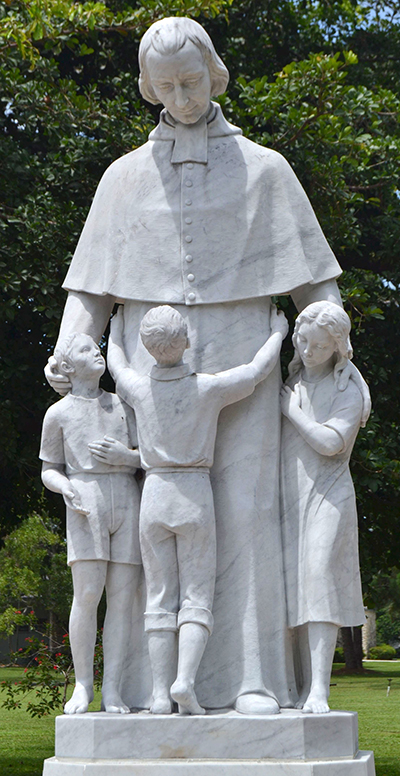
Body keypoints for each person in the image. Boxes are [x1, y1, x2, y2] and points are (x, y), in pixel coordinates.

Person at [44, 17, 368, 713]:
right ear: (147, 87)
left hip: (244, 350)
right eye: (163, 86)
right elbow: (90, 292)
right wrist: (69, 350)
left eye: (191, 81)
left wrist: (332, 342)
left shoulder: (266, 170)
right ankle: (145, 688)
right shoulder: (123, 178)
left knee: (247, 514)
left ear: (215, 74)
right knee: (151, 532)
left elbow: (316, 285)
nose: (180, 96)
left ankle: (252, 680)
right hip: (146, 368)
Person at [105, 303, 288, 715]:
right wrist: (276, 332)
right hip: (193, 493)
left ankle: (157, 695)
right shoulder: (207, 388)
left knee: (159, 596)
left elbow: (116, 365)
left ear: (147, 347)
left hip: (154, 492)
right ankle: (184, 682)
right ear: (186, 341)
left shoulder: (137, 389)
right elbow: (256, 373)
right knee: (196, 596)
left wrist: (115, 330)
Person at [40, 333, 141, 715]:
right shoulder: (59, 413)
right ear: (67, 366)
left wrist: (126, 457)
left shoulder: (121, 405)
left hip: (125, 498)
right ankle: (83, 685)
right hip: (85, 500)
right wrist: (65, 486)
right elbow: (50, 469)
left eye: (96, 348)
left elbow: (148, 456)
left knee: (121, 600)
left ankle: (112, 689)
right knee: (86, 595)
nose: (96, 353)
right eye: (86, 350)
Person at [280, 302, 369, 713]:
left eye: (319, 344)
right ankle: (295, 683)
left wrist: (292, 412)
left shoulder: (345, 389)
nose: (309, 350)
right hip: (289, 494)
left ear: (337, 346)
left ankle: (319, 688)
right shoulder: (291, 379)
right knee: (289, 588)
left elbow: (332, 444)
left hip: (329, 493)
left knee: (318, 578)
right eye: (303, 341)